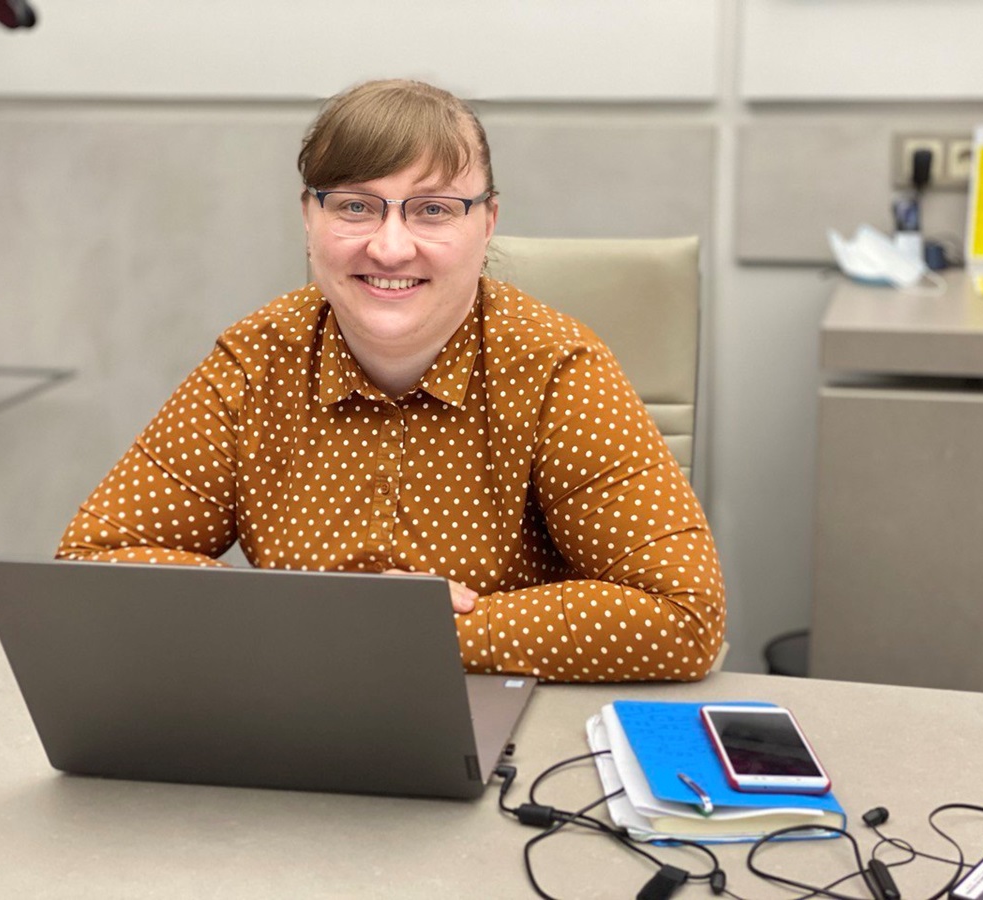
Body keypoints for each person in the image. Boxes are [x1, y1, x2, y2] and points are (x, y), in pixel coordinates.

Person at [57, 79, 725, 682]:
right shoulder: (258, 358)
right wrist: (313, 617)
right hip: (302, 707)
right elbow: (93, 561)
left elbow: (685, 616)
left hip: (506, 714)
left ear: (487, 223)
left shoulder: (555, 367)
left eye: (433, 210)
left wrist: (423, 632)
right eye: (356, 206)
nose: (390, 247)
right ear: (309, 219)